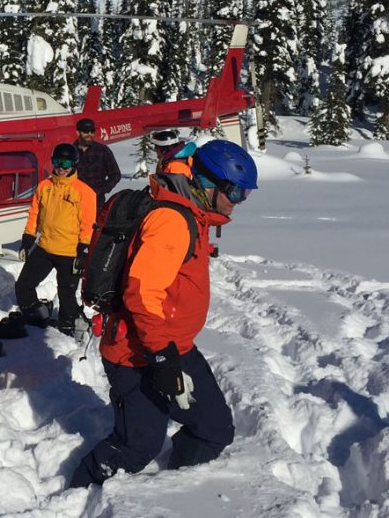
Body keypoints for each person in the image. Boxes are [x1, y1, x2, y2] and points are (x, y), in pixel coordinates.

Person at [70, 139, 258, 488]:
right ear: (208, 184)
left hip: (174, 346)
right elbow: (142, 293)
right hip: (137, 354)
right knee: (137, 447)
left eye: (245, 194)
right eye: (235, 192)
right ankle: (76, 495)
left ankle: (177, 490)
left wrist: (169, 353)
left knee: (214, 429)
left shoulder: (192, 212)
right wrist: (161, 359)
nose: (238, 203)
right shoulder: (172, 220)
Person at [15, 143, 97, 336]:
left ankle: (68, 327)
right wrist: (27, 240)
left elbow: (87, 224)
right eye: (57, 162)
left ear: (74, 163)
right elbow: (34, 215)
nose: (61, 167)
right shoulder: (45, 187)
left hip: (69, 252)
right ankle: (35, 314)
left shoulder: (84, 192)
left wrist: (83, 252)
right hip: (44, 247)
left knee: (66, 294)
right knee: (23, 286)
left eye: (66, 162)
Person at [73, 118, 121, 211]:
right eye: (86, 131)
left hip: (96, 203)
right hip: (73, 201)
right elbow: (61, 173)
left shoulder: (102, 150)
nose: (90, 134)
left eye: (92, 131)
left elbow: (115, 174)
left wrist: (101, 190)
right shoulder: (70, 151)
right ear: (78, 133)